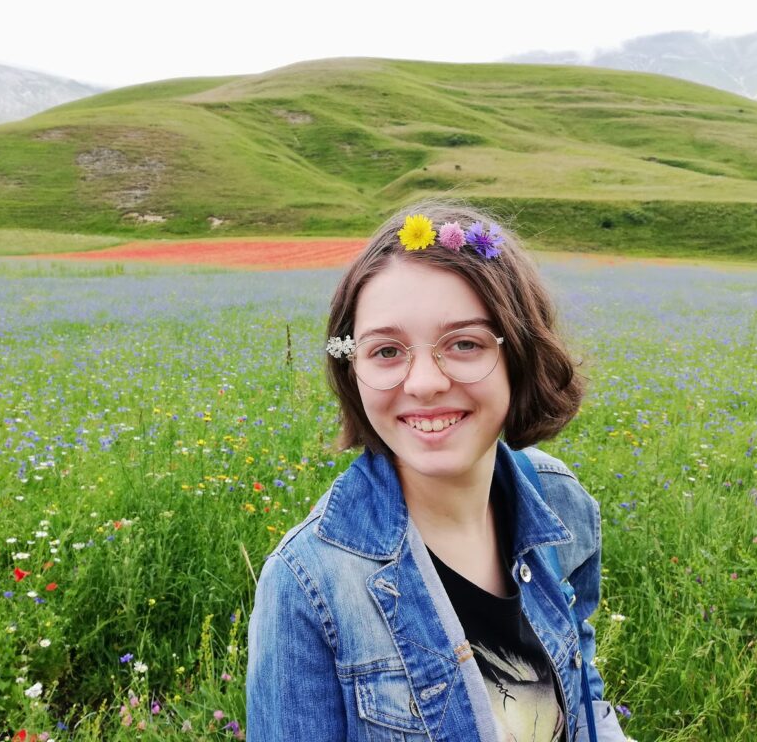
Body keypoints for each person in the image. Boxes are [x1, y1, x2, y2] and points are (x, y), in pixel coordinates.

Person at [246, 202, 627, 741]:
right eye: (386, 351)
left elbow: (583, 690)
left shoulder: (560, 500)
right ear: (353, 371)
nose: (424, 382)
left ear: (520, 352)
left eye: (464, 343)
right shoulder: (310, 583)